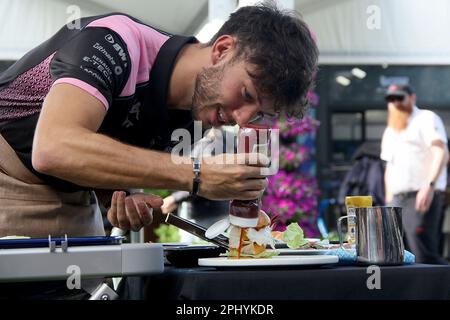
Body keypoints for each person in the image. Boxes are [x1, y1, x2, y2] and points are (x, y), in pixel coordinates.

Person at [0, 2, 318, 238]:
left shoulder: (198, 118)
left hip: (73, 209)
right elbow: (53, 148)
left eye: (261, 113)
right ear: (222, 49)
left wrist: (122, 198)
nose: (242, 119)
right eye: (247, 94)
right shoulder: (115, 42)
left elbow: (98, 165)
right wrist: (196, 174)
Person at [381, 84, 449, 264]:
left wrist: (429, 186)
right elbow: (389, 167)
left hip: (420, 196)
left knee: (423, 254)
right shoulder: (391, 130)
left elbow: (441, 153)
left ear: (412, 98)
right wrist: (389, 202)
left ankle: (440, 289)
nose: (395, 102)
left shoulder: (426, 118)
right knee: (395, 254)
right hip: (397, 198)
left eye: (399, 97)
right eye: (390, 99)